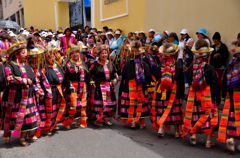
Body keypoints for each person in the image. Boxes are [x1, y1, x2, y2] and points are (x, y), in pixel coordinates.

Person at [182, 40, 220, 148]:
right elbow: (215, 85)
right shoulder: (210, 68)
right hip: (207, 96)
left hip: (194, 96)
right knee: (208, 117)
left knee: (194, 115)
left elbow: (189, 81)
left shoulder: (191, 68)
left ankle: (193, 136)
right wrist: (216, 98)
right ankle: (208, 141)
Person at [2, 42, 40, 146]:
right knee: (17, 117)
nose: (26, 54)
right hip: (15, 97)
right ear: (16, 54)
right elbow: (10, 78)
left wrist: (38, 90)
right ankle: (17, 137)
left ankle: (26, 135)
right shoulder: (9, 65)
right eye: (23, 53)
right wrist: (24, 81)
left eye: (26, 52)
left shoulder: (27, 66)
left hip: (29, 96)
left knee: (29, 117)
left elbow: (33, 79)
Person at [151, 43, 184, 137]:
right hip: (168, 91)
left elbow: (157, 77)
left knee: (167, 110)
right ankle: (173, 130)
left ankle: (169, 129)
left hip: (166, 91)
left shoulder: (162, 67)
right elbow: (180, 81)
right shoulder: (177, 66)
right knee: (172, 110)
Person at [118, 41, 151, 128]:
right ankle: (142, 122)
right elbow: (148, 76)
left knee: (132, 104)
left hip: (130, 87)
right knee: (140, 103)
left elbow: (124, 76)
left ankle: (133, 121)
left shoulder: (128, 64)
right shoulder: (144, 64)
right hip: (139, 87)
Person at [218, 45, 240, 152]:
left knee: (231, 117)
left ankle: (231, 138)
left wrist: (223, 95)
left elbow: (224, 82)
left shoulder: (231, 65)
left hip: (231, 96)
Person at [89, 45, 118, 127]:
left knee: (109, 103)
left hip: (109, 86)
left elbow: (115, 73)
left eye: (105, 53)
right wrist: (91, 81)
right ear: (99, 54)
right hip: (98, 87)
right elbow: (90, 74)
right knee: (100, 103)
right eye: (102, 53)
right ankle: (98, 119)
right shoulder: (95, 64)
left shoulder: (110, 63)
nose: (104, 55)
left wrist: (115, 79)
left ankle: (105, 118)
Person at [62, 46, 90, 129]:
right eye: (73, 53)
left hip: (83, 86)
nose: (75, 54)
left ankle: (82, 121)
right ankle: (68, 122)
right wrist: (70, 86)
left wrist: (90, 81)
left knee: (83, 105)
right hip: (73, 86)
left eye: (77, 52)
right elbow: (65, 78)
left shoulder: (83, 63)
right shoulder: (68, 64)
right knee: (73, 105)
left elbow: (87, 74)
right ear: (70, 55)